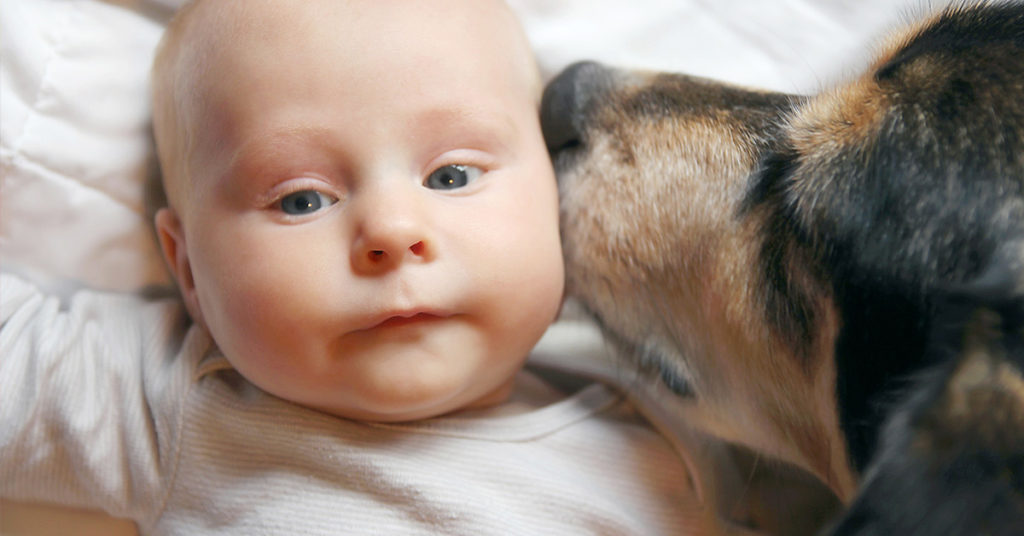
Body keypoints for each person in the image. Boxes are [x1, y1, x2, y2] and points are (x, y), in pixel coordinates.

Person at [0, 0, 723, 534]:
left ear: (557, 188)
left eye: (451, 177)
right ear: (188, 270)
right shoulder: (183, 404)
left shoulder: (677, 411)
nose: (392, 231)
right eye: (302, 200)